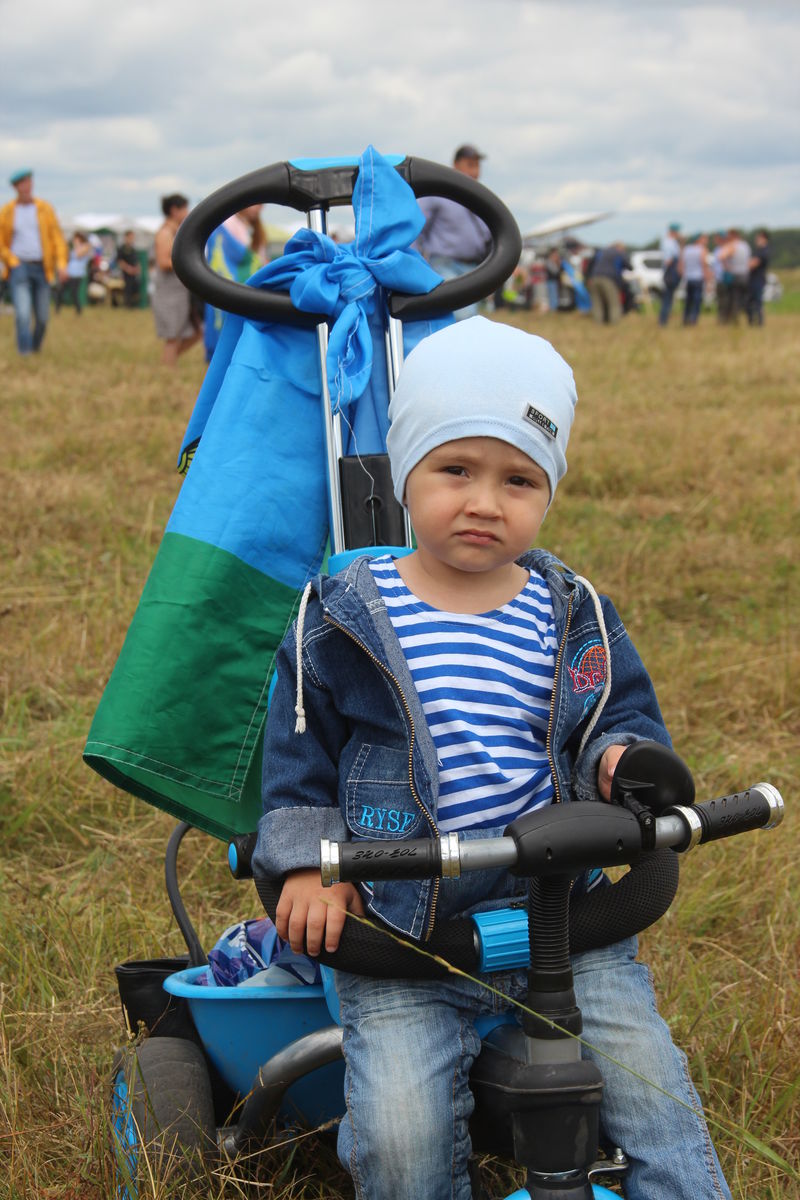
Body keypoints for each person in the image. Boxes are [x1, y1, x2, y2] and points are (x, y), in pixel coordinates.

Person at [254, 317, 733, 1200]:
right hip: (403, 929)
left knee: (652, 1093)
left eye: (519, 479)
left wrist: (623, 763)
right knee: (401, 1136)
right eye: (456, 471)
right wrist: (306, 864)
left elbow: (614, 716)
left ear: (549, 491)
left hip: (562, 915)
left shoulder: (569, 609)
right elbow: (299, 757)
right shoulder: (342, 612)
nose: (485, 502)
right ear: (405, 472)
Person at [415, 145, 492, 319]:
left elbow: (489, 236)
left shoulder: (480, 197)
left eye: (477, 166)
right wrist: (415, 263)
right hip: (444, 264)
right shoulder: (439, 192)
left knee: (469, 316)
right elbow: (417, 229)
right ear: (456, 165)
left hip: (474, 268)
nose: (475, 172)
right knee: (464, 314)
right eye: (470, 165)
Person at [0, 168, 68, 354]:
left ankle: (35, 348)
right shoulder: (7, 212)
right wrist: (11, 260)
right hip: (19, 267)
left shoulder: (45, 209)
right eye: (22, 183)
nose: (26, 186)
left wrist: (61, 264)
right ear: (15, 187)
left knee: (43, 317)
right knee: (22, 314)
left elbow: (57, 239)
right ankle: (25, 353)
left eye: (28, 182)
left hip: (42, 267)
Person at [203, 204, 268, 360]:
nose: (259, 208)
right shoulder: (227, 224)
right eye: (256, 204)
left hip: (250, 288)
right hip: (231, 286)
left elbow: (259, 258)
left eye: (262, 205)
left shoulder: (256, 228)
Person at [152, 193, 202, 367]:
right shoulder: (165, 233)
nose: (187, 213)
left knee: (195, 333)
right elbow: (163, 262)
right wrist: (188, 262)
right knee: (173, 338)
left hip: (179, 293)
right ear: (174, 210)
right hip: (168, 295)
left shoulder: (174, 232)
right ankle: (167, 368)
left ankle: (168, 363)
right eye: (185, 208)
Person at [586, 241, 629, 324]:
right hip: (608, 279)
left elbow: (590, 264)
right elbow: (628, 265)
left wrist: (588, 278)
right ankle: (614, 323)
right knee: (613, 302)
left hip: (594, 278)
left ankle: (597, 323)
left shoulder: (600, 252)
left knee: (597, 302)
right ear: (619, 247)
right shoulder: (618, 253)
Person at [717, 228, 751, 325]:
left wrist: (726, 266)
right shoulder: (745, 245)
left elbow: (721, 256)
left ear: (732, 236)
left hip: (735, 274)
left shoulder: (732, 245)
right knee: (742, 298)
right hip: (745, 274)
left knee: (733, 298)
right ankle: (744, 317)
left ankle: (733, 319)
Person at [55, 231, 92, 315]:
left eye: (76, 239)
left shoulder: (85, 247)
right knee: (61, 291)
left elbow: (79, 255)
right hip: (68, 273)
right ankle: (57, 309)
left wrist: (77, 246)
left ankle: (78, 310)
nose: (74, 241)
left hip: (77, 274)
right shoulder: (73, 248)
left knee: (74, 292)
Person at [681, 233, 710, 326]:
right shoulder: (702, 250)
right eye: (704, 239)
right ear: (698, 239)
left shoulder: (687, 249)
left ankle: (685, 318)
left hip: (688, 278)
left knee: (688, 300)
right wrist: (707, 278)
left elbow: (682, 264)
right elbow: (704, 264)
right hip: (698, 278)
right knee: (697, 300)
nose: (706, 241)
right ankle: (694, 319)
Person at [658, 221, 682, 326]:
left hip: (670, 271)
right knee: (667, 298)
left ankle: (664, 319)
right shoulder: (669, 243)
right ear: (674, 231)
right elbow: (668, 260)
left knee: (669, 297)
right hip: (670, 272)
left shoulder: (671, 242)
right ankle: (663, 320)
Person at [747, 229, 770, 326]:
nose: (756, 240)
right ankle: (753, 322)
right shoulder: (759, 251)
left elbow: (752, 264)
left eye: (758, 238)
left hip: (758, 280)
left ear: (764, 238)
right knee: (752, 302)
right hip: (754, 279)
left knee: (757, 302)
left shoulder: (763, 251)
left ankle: (759, 322)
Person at [116, 229, 141, 309]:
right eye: (130, 237)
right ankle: (127, 305)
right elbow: (120, 261)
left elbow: (136, 261)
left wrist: (137, 269)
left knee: (135, 287)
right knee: (128, 288)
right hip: (126, 273)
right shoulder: (122, 248)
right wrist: (128, 269)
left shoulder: (133, 249)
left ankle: (133, 304)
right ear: (126, 237)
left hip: (134, 273)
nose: (132, 239)